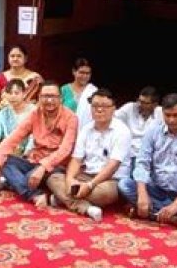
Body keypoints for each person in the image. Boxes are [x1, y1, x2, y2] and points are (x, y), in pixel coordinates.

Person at [118, 93, 177, 231]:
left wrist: (176, 205)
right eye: (167, 115)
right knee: (124, 184)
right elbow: (142, 163)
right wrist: (142, 194)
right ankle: (170, 217)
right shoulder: (153, 132)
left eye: (176, 115)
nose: (171, 120)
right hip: (155, 189)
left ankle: (151, 212)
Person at [0, 80, 78, 208]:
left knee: (28, 178)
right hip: (34, 161)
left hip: (56, 165)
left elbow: (65, 150)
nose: (49, 100)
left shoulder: (71, 118)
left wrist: (43, 167)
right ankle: (34, 194)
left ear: (60, 99)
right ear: (39, 98)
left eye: (53, 96)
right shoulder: (34, 114)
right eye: (45, 96)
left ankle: (15, 185)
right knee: (4, 161)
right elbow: (12, 139)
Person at [46, 88, 131, 221]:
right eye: (95, 106)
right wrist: (70, 180)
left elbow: (112, 166)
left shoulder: (122, 131)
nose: (99, 110)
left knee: (104, 194)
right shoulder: (86, 129)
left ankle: (61, 198)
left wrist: (90, 185)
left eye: (104, 106)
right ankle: (85, 207)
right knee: (53, 178)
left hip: (110, 180)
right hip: (85, 175)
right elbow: (76, 159)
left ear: (114, 108)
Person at [0, 78, 36, 167]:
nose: (12, 96)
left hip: (27, 149)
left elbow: (34, 135)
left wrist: (27, 152)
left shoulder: (33, 111)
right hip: (8, 147)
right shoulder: (3, 113)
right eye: (10, 93)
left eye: (16, 93)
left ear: (24, 94)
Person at [114, 86, 163, 165]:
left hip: (151, 155)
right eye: (139, 101)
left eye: (145, 103)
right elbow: (111, 118)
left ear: (155, 104)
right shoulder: (130, 107)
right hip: (130, 153)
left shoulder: (161, 113)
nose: (140, 104)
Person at [0, 44, 43, 110]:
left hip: (30, 114)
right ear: (8, 58)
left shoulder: (36, 78)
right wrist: (5, 110)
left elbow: (42, 98)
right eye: (12, 56)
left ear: (25, 58)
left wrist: (31, 111)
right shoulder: (0, 78)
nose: (15, 59)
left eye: (19, 56)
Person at [60, 57, 97, 129]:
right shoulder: (64, 90)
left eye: (87, 73)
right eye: (81, 72)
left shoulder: (94, 91)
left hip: (86, 131)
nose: (84, 76)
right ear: (74, 71)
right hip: (66, 130)